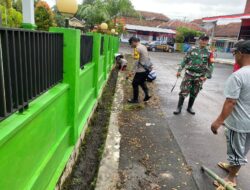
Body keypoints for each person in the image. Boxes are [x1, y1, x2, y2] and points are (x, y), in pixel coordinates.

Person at [211, 40, 250, 188]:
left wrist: (218, 121)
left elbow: (230, 102)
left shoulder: (238, 75)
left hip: (239, 123)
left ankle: (231, 178)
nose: (235, 57)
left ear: (240, 53)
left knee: (235, 151)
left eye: (234, 53)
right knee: (243, 149)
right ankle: (232, 167)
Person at [173, 35, 213, 115]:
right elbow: (185, 60)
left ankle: (189, 107)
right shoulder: (192, 49)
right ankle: (179, 108)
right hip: (189, 74)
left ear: (207, 42)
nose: (204, 42)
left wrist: (206, 76)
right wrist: (179, 70)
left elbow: (211, 65)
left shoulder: (209, 52)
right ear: (199, 40)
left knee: (194, 92)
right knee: (184, 90)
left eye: (206, 40)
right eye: (202, 40)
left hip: (200, 76)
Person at [128, 36, 151, 103]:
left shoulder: (137, 49)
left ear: (133, 42)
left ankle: (135, 100)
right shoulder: (143, 47)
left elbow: (136, 61)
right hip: (147, 68)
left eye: (131, 44)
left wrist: (132, 71)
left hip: (141, 70)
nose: (131, 46)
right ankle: (147, 95)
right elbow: (147, 58)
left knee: (134, 83)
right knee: (141, 82)